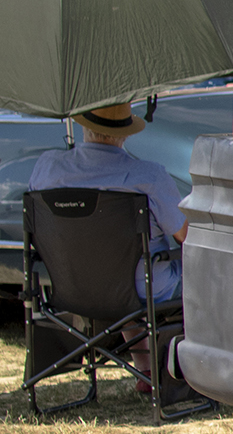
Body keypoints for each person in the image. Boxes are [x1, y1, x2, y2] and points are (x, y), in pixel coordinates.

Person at [27, 102, 189, 390]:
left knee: (115, 264)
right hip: (136, 285)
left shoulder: (47, 167)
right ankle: (198, 371)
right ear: (124, 134)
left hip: (71, 284)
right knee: (177, 269)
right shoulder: (147, 176)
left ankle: (146, 371)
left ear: (85, 127)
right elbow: (184, 235)